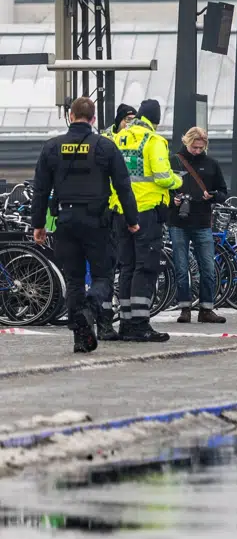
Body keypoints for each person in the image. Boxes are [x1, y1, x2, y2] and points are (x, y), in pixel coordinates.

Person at [30, 97, 141, 353]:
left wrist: (38, 224)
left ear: (70, 116)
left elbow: (40, 189)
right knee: (103, 275)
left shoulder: (52, 147)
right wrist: (132, 220)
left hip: (65, 221)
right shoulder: (105, 146)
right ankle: (91, 308)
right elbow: (123, 185)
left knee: (75, 281)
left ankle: (81, 339)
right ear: (93, 119)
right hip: (97, 222)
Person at [109, 98, 182, 342]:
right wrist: (178, 181)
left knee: (127, 266)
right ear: (156, 121)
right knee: (147, 266)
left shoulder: (119, 138)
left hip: (121, 212)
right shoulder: (153, 141)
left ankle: (127, 323)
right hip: (147, 213)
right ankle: (140, 323)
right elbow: (162, 177)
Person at [168, 127, 228, 324]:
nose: (197, 151)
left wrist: (212, 196)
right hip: (178, 222)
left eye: (201, 148)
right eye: (194, 147)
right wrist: (173, 200)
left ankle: (206, 309)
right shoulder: (173, 161)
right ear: (187, 142)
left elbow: (223, 191)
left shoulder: (212, 164)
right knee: (181, 266)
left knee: (208, 268)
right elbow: (162, 188)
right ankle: (184, 308)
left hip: (202, 221)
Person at [94, 104, 137, 339]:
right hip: (106, 211)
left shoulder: (134, 140)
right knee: (107, 270)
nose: (130, 123)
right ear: (119, 119)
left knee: (123, 266)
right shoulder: (105, 140)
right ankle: (105, 322)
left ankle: (119, 321)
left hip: (121, 211)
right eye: (127, 119)